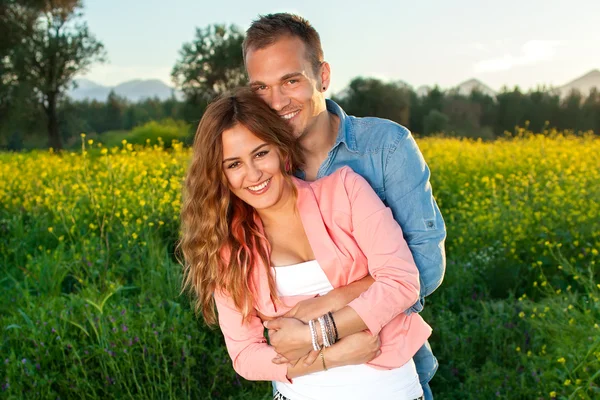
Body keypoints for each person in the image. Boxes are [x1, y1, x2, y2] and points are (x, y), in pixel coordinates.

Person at [242, 13, 446, 399]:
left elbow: (424, 266)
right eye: (261, 88)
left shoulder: (385, 147)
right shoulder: (260, 173)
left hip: (392, 375)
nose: (276, 101)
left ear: (323, 75)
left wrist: (324, 314)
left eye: (290, 80)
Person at [181, 88, 431, 399]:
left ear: (281, 149)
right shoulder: (228, 248)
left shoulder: (346, 191)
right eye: (234, 164)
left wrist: (319, 323)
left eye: (260, 153)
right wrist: (333, 355)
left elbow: (402, 283)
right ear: (220, 175)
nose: (253, 174)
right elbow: (245, 355)